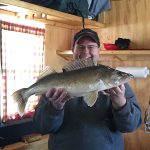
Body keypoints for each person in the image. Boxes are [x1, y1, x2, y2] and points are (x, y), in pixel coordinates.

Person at [33, 28, 142, 150]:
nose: (85, 52)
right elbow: (42, 127)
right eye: (80, 47)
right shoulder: (55, 85)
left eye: (91, 46)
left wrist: (121, 103)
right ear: (73, 50)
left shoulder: (118, 86)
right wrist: (54, 108)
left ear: (99, 50)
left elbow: (130, 126)